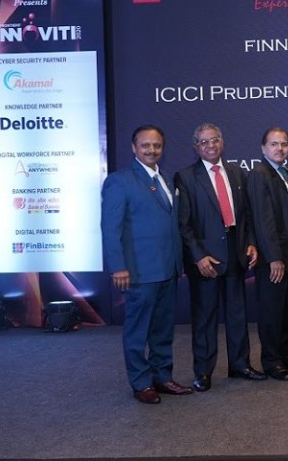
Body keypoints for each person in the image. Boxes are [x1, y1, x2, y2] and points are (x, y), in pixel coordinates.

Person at [100, 125, 193, 404]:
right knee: (138, 331)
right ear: (134, 148)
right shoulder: (119, 181)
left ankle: (162, 377)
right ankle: (141, 383)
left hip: (168, 269)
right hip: (139, 271)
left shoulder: (166, 178)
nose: (151, 150)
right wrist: (118, 267)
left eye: (157, 145)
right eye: (145, 145)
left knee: (163, 330)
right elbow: (110, 228)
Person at [175, 123, 264, 392]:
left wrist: (250, 243)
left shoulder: (237, 173)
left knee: (237, 315)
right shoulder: (186, 177)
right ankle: (203, 372)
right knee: (205, 318)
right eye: (204, 142)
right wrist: (198, 256)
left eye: (214, 140)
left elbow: (246, 215)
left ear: (222, 142)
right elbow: (184, 224)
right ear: (196, 147)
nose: (210, 145)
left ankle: (240, 365)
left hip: (236, 254)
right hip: (206, 261)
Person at [246, 127, 288, 381]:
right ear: (263, 148)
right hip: (274, 259)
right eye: (274, 144)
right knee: (272, 312)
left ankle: (285, 354)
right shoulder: (259, 174)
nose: (280, 148)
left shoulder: (283, 172)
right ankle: (272, 362)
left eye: (284, 144)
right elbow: (264, 221)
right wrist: (274, 257)